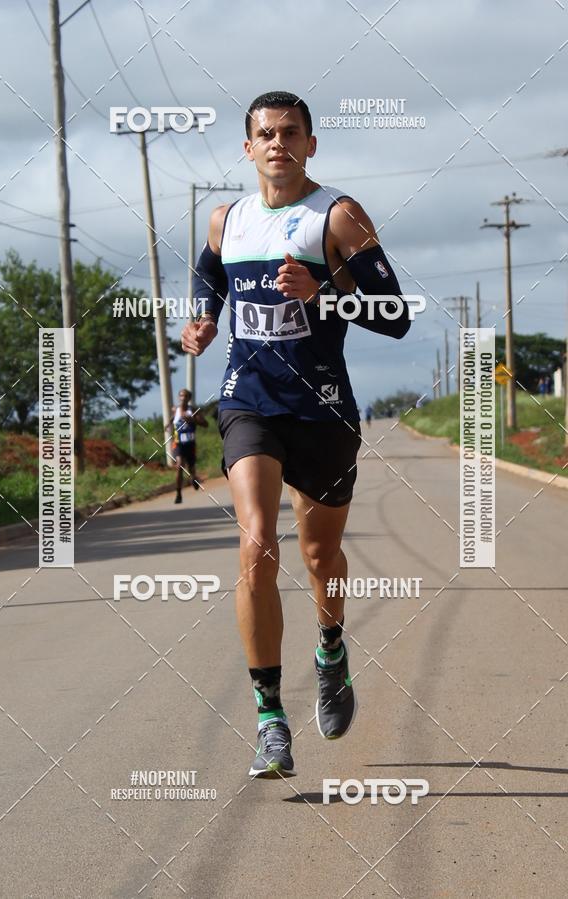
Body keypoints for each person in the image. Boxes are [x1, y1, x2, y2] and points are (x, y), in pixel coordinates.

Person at [181, 90, 411, 777]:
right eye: (265, 135)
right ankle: (271, 719)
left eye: (290, 133)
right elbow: (208, 273)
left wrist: (325, 294)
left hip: (324, 407)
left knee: (321, 557)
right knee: (256, 544)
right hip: (249, 400)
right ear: (247, 149)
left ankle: (332, 648)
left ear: (311, 145)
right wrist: (202, 320)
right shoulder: (229, 218)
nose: (277, 144)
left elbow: (395, 314)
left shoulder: (338, 215)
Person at [166, 388, 207, 504]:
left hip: (190, 444)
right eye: (181, 396)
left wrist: (193, 420)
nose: (182, 398)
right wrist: (168, 424)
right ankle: (178, 493)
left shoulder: (193, 410)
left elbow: (205, 424)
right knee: (179, 466)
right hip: (178, 444)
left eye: (185, 396)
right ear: (178, 397)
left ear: (189, 398)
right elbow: (174, 418)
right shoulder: (175, 409)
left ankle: (194, 479)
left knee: (191, 469)